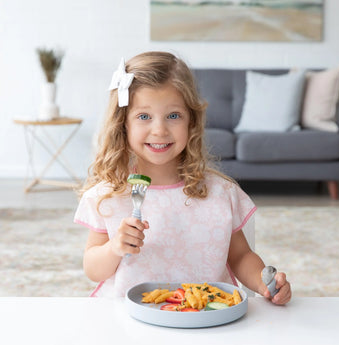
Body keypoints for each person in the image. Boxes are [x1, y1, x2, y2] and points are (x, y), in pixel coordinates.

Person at [74, 51, 291, 304]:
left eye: (173, 116)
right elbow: (92, 269)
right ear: (123, 124)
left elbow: (241, 256)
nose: (160, 130)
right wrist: (114, 248)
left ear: (191, 121)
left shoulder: (220, 192)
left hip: (208, 315)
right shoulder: (109, 195)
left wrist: (265, 285)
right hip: (130, 321)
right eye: (144, 117)